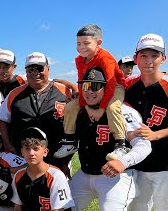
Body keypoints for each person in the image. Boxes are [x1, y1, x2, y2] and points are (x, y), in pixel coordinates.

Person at [68, 67, 152, 211]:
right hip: (85, 173)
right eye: (86, 86)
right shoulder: (79, 110)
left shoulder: (121, 110)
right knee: (63, 207)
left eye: (96, 86)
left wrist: (123, 162)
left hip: (115, 176)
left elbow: (144, 145)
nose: (90, 91)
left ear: (107, 88)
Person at [123, 33, 168, 211]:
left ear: (163, 58)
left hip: (167, 161)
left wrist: (157, 135)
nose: (148, 61)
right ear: (135, 58)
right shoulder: (128, 84)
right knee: (136, 208)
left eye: (154, 56)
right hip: (137, 161)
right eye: (143, 55)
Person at [54, 24, 127, 160]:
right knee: (70, 106)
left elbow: (110, 83)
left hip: (115, 86)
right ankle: (69, 141)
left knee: (112, 107)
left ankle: (121, 145)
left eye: (86, 43)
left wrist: (101, 108)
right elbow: (81, 82)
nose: (81, 47)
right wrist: (86, 106)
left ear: (98, 43)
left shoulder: (105, 58)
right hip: (90, 86)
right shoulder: (79, 59)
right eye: (78, 43)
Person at [0, 51, 75, 177]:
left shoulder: (65, 91)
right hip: (24, 157)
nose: (35, 73)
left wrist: (66, 161)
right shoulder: (14, 94)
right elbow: (2, 119)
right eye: (30, 69)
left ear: (48, 69)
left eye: (39, 68)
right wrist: (7, 143)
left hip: (58, 157)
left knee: (56, 193)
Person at [7, 127, 74, 211]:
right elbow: (17, 209)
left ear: (45, 152)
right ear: (22, 152)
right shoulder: (18, 176)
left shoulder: (56, 176)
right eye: (27, 149)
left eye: (36, 148)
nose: (31, 153)